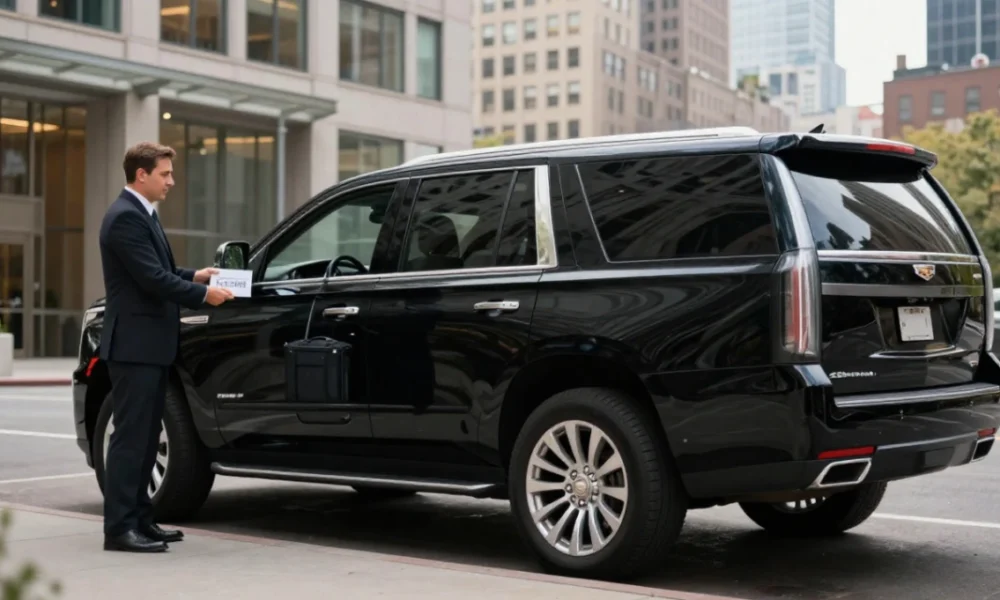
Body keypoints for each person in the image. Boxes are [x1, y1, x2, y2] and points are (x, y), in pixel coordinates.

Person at [98, 141, 234, 553]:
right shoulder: (124, 218)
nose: (171, 181)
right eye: (165, 174)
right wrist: (203, 295)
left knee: (145, 440)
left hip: (150, 347)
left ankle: (141, 519)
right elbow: (152, 280)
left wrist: (196, 275)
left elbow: (162, 270)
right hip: (134, 347)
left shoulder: (143, 215)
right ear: (142, 175)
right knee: (131, 440)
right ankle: (120, 529)